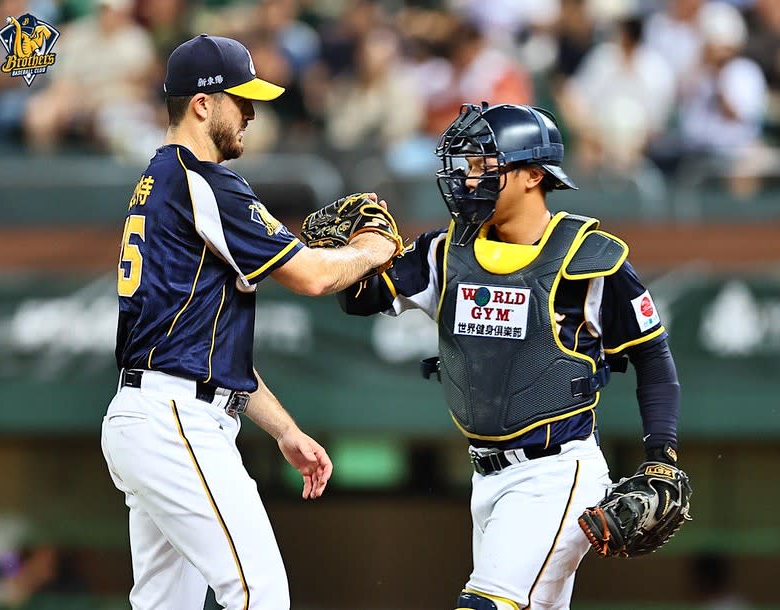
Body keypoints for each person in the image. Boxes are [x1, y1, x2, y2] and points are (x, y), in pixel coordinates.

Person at [337, 103, 681, 610]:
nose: (467, 178)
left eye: (483, 165)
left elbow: (655, 361)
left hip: (556, 473)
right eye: (465, 165)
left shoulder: (588, 259)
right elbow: (360, 297)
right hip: (486, 479)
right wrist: (359, 246)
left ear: (532, 175)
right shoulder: (446, 250)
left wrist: (662, 462)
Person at [101, 34, 398, 610]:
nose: (253, 113)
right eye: (242, 99)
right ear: (202, 104)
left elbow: (202, 352)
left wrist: (284, 429)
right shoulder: (203, 181)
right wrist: (370, 249)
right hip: (174, 420)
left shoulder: (158, 180)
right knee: (258, 592)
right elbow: (312, 275)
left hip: (154, 410)